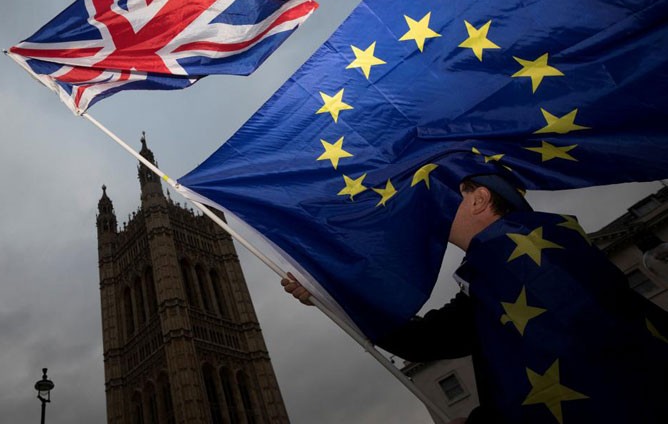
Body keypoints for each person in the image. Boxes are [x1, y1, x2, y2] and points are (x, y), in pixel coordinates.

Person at [282, 174, 668, 423]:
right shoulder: (489, 279)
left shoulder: (541, 257)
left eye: (449, 193)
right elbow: (424, 340)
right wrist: (331, 295)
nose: (430, 203)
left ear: (480, 200)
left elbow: (584, 367)